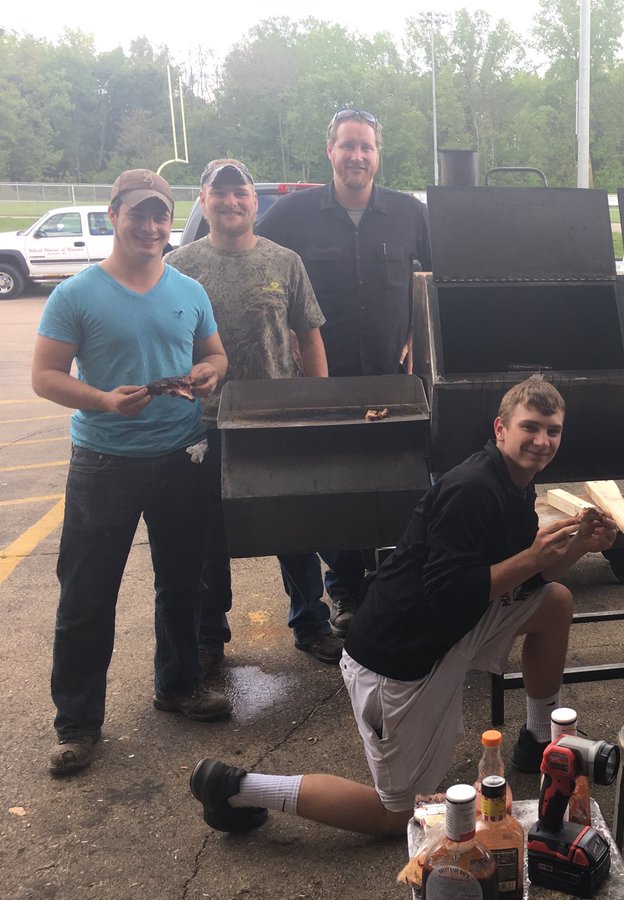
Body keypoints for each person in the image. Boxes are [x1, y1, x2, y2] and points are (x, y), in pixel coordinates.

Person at [189, 376, 617, 835]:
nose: (542, 440)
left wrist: (577, 549)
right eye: (530, 427)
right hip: (397, 660)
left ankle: (537, 742)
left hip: (450, 627)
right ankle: (235, 785)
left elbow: (527, 578)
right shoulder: (472, 488)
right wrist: (533, 556)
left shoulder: (515, 484)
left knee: (553, 602)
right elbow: (452, 590)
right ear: (500, 429)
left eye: (553, 431)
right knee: (394, 815)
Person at [32, 169, 232, 776]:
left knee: (181, 583)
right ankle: (77, 723)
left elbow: (215, 352)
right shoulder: (76, 293)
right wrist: (104, 400)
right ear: (114, 214)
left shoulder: (189, 289)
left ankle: (177, 685)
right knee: (88, 592)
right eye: (138, 214)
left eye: (160, 215)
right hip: (104, 461)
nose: (150, 227)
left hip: (182, 455)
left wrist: (209, 372)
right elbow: (44, 376)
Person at [256, 108, 433, 637]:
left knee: (396, 484)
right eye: (347, 146)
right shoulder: (293, 214)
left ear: (378, 155)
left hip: (392, 380)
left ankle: (395, 587)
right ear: (330, 150)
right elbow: (257, 260)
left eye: (367, 147)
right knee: (331, 489)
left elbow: (432, 281)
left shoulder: (408, 214)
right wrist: (279, 326)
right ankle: (348, 595)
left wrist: (414, 338)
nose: (357, 156)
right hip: (320, 380)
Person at [166, 158, 341, 676]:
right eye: (218, 193)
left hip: (276, 419)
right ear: (203, 201)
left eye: (239, 192)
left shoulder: (284, 261)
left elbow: (310, 336)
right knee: (208, 536)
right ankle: (209, 635)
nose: (230, 201)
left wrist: (319, 408)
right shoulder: (179, 265)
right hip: (203, 423)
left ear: (254, 201)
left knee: (292, 527)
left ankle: (312, 623)